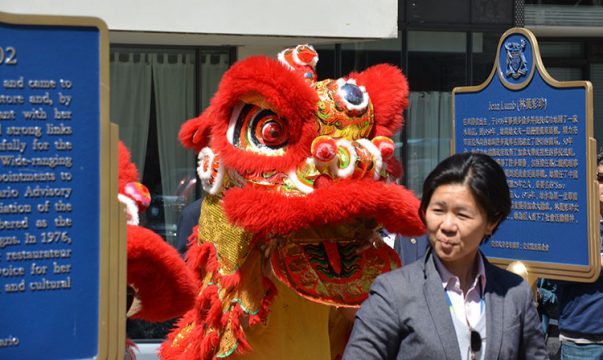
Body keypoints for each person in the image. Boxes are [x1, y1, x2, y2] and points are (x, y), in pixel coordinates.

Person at [343, 152, 548, 360]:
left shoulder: (514, 294)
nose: (447, 226)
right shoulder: (393, 292)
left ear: (491, 223)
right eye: (438, 210)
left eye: (462, 215)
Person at [553, 152, 603, 360]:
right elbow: (556, 272)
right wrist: (594, 262)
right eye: (600, 178)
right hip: (582, 342)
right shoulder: (573, 224)